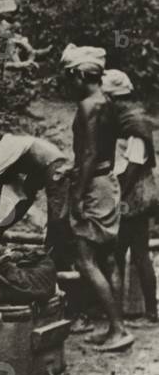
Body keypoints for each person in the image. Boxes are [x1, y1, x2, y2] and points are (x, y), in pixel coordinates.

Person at [61, 45, 133, 352]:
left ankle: (117, 328)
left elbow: (89, 153)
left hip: (93, 185)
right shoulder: (107, 102)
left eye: (69, 76)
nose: (68, 83)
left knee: (84, 258)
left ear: (80, 74)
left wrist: (77, 194)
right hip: (107, 181)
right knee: (107, 258)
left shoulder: (88, 105)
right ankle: (116, 327)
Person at [103, 69, 158, 322]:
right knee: (136, 252)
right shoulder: (128, 118)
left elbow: (134, 165)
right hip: (134, 193)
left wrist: (118, 195)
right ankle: (142, 309)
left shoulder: (135, 122)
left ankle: (128, 311)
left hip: (134, 195)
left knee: (127, 251)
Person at [0, 131, 72, 261]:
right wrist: (1, 228)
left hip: (55, 167)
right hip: (50, 164)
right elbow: (25, 201)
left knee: (57, 219)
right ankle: (53, 255)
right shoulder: (15, 144)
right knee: (32, 200)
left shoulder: (0, 152)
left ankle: (56, 261)